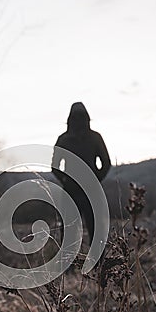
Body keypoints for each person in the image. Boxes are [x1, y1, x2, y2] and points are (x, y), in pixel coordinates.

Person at [52, 102, 111, 245]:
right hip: (89, 189)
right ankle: (98, 264)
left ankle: (69, 265)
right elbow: (106, 163)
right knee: (96, 229)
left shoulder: (63, 139)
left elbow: (54, 167)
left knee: (70, 231)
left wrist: (65, 180)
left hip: (71, 189)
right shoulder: (95, 137)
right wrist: (96, 179)